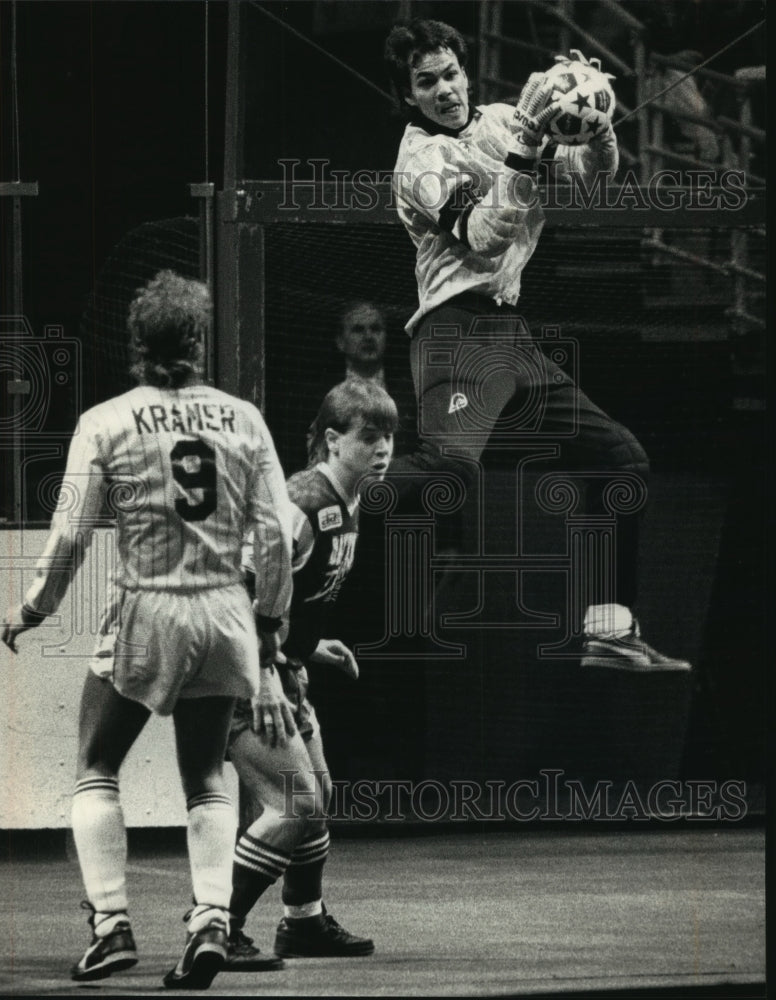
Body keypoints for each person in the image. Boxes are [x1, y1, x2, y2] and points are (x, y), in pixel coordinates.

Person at [1, 270, 295, 990]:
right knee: (205, 775)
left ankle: (109, 926)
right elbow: (280, 537)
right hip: (225, 609)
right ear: (200, 341)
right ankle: (210, 922)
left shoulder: (106, 420)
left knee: (97, 766)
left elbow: (71, 533)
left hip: (148, 608)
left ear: (134, 343)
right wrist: (268, 631)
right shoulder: (243, 418)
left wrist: (33, 608)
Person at [382, 18, 690, 671]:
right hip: (454, 331)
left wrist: (598, 125)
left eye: (451, 73)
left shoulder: (497, 120)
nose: (444, 89)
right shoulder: (420, 163)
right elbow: (488, 237)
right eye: (426, 81)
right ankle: (327, 488)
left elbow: (589, 179)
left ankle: (608, 630)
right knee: (449, 474)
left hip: (508, 335)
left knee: (620, 459)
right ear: (408, 96)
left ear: (466, 71)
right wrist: (526, 142)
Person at [224, 379, 397, 969]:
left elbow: (285, 598)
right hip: (241, 670)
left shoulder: (347, 504)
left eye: (390, 438)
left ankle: (302, 924)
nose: (383, 449)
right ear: (332, 439)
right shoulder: (301, 503)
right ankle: (215, 928)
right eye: (369, 437)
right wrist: (266, 676)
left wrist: (307, 643)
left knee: (315, 798)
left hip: (281, 663)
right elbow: (240, 593)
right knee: (294, 804)